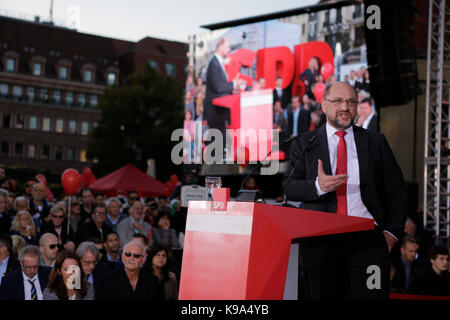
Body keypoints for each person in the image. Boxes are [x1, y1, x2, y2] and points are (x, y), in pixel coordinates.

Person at [283, 81, 408, 300]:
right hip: (321, 245)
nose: (345, 107)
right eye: (338, 101)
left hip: (369, 244)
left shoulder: (375, 142)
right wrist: (318, 186)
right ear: (323, 106)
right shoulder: (304, 144)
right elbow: (289, 188)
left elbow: (398, 190)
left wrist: (391, 233)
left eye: (351, 101)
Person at [203, 37, 241, 156]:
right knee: (215, 147)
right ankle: (212, 171)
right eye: (228, 47)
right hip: (215, 112)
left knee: (219, 145)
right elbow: (218, 87)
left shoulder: (217, 63)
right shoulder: (214, 63)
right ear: (221, 48)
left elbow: (220, 87)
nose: (229, 50)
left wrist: (231, 88)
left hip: (219, 112)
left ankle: (217, 167)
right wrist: (233, 84)